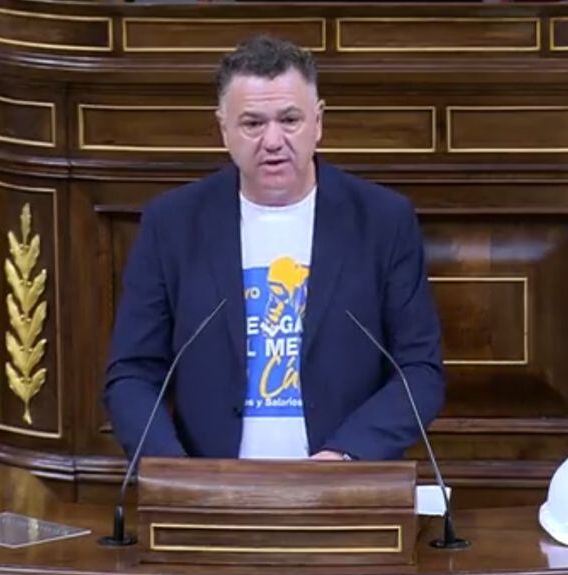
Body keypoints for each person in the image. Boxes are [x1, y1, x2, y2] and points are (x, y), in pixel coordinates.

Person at [103, 35, 445, 463]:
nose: (272, 140)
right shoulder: (171, 225)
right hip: (213, 493)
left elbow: (419, 371)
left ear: (318, 123)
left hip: (342, 490)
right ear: (223, 129)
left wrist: (345, 456)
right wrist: (175, 472)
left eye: (289, 120)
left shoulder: (381, 221)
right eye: (252, 123)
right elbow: (132, 374)